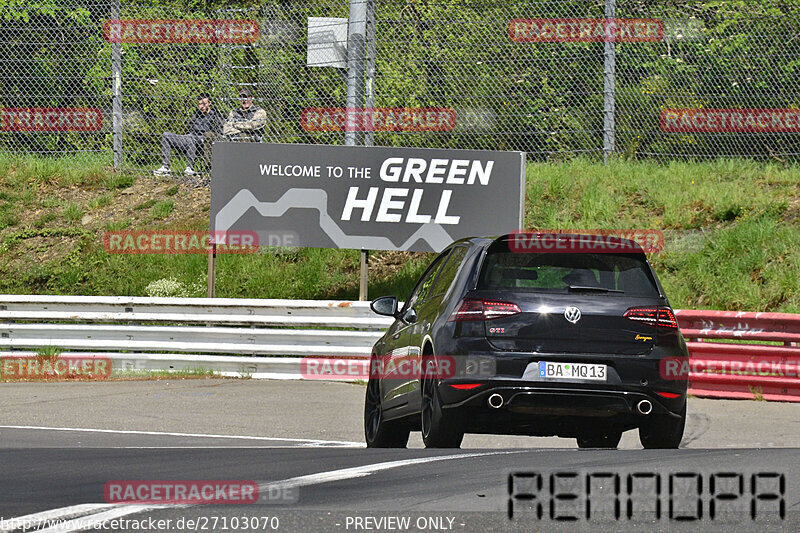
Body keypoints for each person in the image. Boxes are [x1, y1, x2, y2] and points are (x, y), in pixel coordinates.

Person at [153, 93, 223, 177]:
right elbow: (189, 129)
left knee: (192, 139)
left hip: (204, 141)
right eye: (200, 104)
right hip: (191, 136)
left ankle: (189, 167)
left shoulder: (215, 115)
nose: (202, 106)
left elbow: (219, 133)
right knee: (166, 135)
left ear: (209, 103)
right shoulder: (195, 115)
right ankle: (165, 167)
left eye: (204, 103)